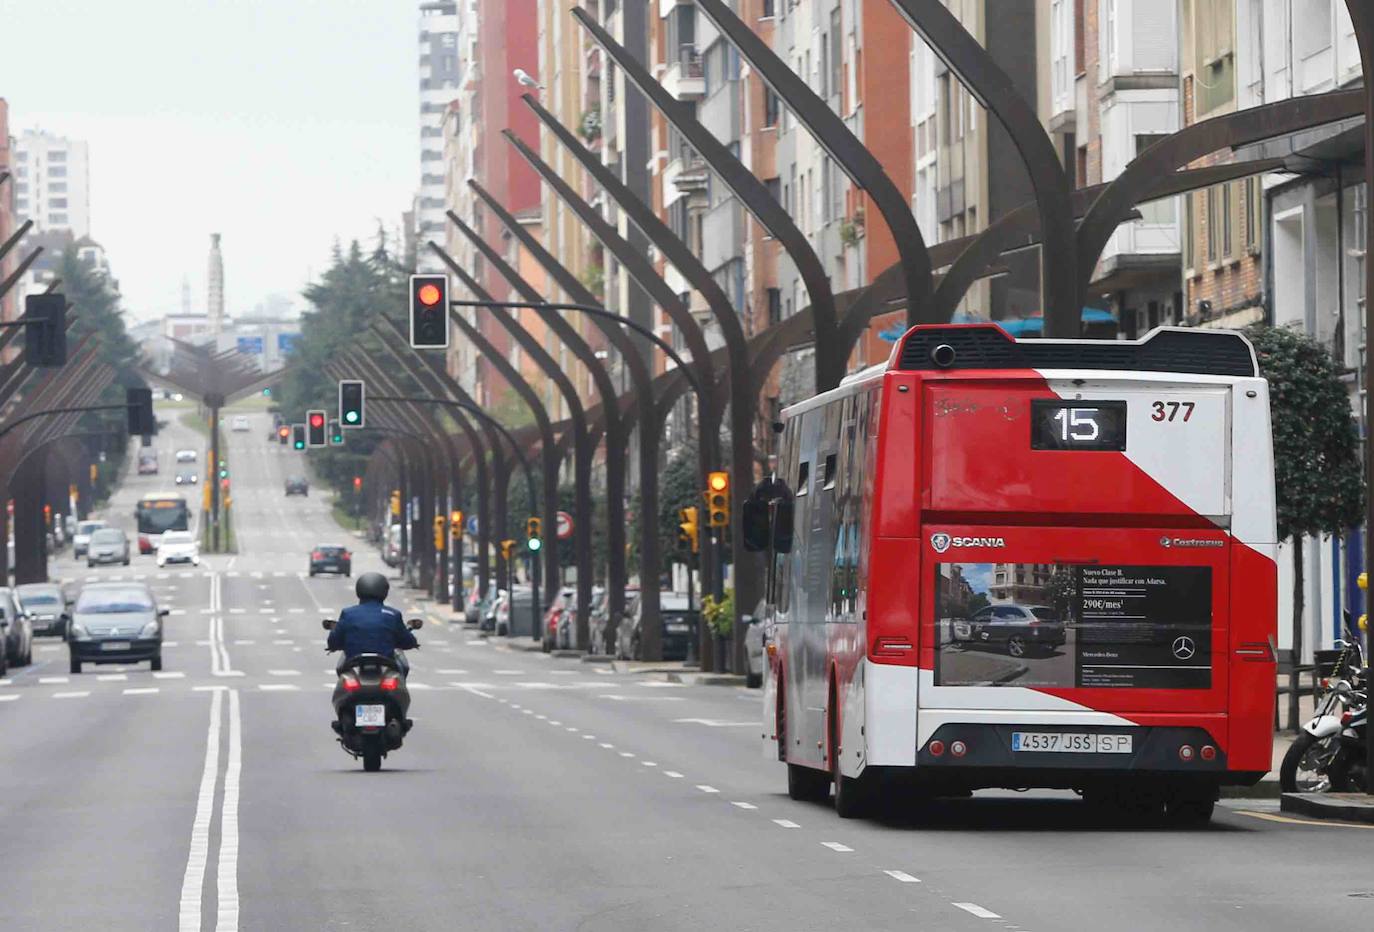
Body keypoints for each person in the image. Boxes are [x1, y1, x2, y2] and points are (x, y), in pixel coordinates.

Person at [327, 572, 417, 677]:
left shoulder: (348, 613)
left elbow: (333, 641)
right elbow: (408, 641)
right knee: (403, 668)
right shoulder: (393, 614)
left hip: (353, 666)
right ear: (385, 591)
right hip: (386, 666)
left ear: (359, 590)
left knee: (341, 671)